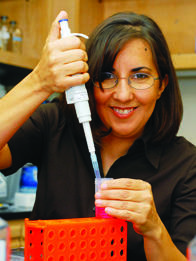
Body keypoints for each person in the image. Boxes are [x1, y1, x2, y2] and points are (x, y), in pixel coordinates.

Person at [0, 10, 195, 261]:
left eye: (140, 76)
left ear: (162, 84)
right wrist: (40, 81)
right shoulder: (56, 123)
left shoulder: (187, 166)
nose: (123, 94)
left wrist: (154, 229)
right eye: (107, 76)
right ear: (90, 82)